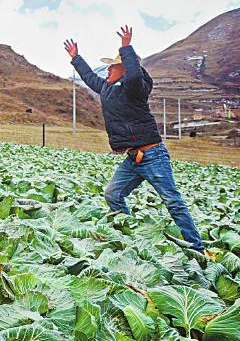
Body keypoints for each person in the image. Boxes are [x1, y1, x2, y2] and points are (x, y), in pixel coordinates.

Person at [64, 25, 204, 252]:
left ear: (124, 69)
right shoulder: (108, 89)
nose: (108, 70)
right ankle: (128, 233)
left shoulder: (134, 89)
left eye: (113, 66)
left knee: (172, 201)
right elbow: (90, 78)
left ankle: (197, 248)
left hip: (152, 154)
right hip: (133, 158)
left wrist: (126, 48)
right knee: (113, 194)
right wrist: (76, 58)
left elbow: (136, 75)